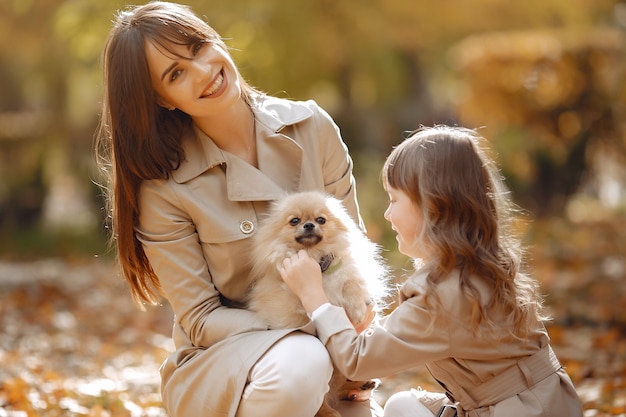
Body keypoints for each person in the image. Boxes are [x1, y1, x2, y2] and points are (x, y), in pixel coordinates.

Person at [94, 1, 381, 416]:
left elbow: (353, 261)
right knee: (302, 362)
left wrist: (357, 348)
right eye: (176, 74)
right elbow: (201, 318)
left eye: (198, 47)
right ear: (160, 99)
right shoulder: (164, 189)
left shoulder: (313, 127)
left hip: (336, 354)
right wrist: (310, 325)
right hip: (233, 366)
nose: (203, 71)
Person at [278, 125, 584, 417]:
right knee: (402, 405)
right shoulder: (485, 264)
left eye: (394, 200)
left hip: (516, 409)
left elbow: (359, 360)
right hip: (546, 403)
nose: (387, 213)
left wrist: (314, 295)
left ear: (432, 207)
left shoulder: (439, 295)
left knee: (401, 408)